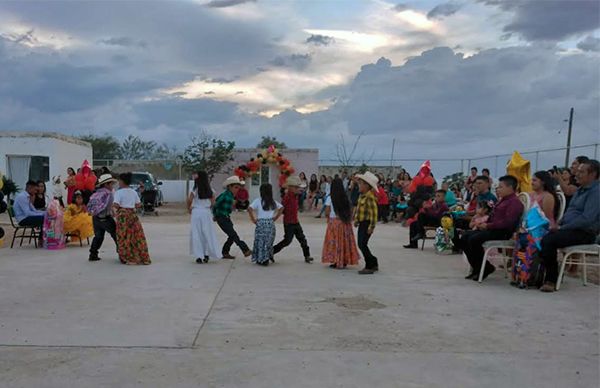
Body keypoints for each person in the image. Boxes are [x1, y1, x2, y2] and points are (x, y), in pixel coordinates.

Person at [538, 159, 599, 292]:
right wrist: (558, 223)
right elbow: (570, 212)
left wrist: (561, 228)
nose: (576, 175)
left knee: (549, 240)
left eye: (581, 172)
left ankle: (551, 280)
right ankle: (535, 274)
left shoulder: (596, 192)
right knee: (539, 234)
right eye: (577, 172)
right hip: (570, 228)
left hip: (584, 233)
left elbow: (587, 219)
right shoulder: (580, 190)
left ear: (593, 174)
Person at [458, 175, 524, 281]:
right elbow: (493, 216)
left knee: (474, 240)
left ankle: (484, 268)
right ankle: (479, 268)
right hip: (492, 229)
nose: (498, 189)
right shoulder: (503, 200)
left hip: (502, 232)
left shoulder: (514, 203)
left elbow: (508, 222)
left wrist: (488, 225)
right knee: (464, 237)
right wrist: (483, 224)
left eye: (501, 187)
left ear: (510, 187)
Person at [273, 176, 314, 263]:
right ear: (290, 187)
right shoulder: (286, 197)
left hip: (295, 222)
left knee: (302, 239)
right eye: (296, 187)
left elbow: (304, 192)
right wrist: (276, 217)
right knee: (287, 241)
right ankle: (271, 252)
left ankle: (307, 255)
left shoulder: (296, 196)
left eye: (298, 187)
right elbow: (282, 209)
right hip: (288, 223)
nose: (298, 189)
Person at [113, 172, 151, 265]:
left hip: (123, 216)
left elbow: (116, 204)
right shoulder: (133, 192)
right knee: (136, 236)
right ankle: (143, 257)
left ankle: (129, 257)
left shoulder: (118, 192)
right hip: (133, 215)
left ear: (122, 181)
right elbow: (138, 204)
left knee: (124, 236)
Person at [322, 177, 360, 269]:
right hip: (345, 222)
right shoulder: (345, 197)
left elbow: (327, 211)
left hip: (334, 223)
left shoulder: (330, 198)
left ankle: (336, 260)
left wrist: (328, 218)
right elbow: (350, 210)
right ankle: (344, 260)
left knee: (334, 242)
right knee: (344, 242)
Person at [213, 176, 252, 259]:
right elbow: (215, 204)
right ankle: (245, 250)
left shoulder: (231, 196)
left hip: (227, 217)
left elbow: (234, 205)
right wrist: (215, 215)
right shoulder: (224, 195)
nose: (237, 189)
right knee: (234, 235)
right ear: (229, 187)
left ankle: (225, 252)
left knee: (231, 236)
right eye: (235, 187)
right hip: (221, 218)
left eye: (238, 187)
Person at [188, 171, 220, 264]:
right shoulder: (211, 190)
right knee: (207, 233)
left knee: (197, 233)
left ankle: (199, 255)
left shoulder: (194, 189)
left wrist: (189, 208)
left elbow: (189, 200)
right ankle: (206, 254)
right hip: (206, 212)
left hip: (196, 212)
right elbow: (214, 203)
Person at [248, 183, 283, 266]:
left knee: (260, 242)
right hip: (270, 223)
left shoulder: (258, 200)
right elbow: (281, 208)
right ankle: (266, 257)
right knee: (268, 242)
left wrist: (253, 219)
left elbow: (249, 209)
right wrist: (275, 217)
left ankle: (260, 258)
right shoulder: (273, 202)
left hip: (260, 223)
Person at [87, 174, 118, 262]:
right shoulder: (109, 194)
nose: (112, 186)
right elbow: (109, 206)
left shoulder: (96, 193)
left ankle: (93, 254)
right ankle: (122, 253)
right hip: (106, 218)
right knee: (116, 235)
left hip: (95, 218)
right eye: (111, 184)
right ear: (106, 184)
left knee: (98, 237)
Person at [354, 171, 379, 275]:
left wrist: (371, 227)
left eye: (361, 184)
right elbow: (359, 210)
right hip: (362, 223)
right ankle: (373, 261)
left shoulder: (370, 197)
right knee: (361, 244)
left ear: (367, 186)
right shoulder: (362, 196)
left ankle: (370, 265)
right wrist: (356, 220)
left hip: (367, 224)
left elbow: (374, 213)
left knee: (362, 244)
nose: (359, 185)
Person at [13, 180, 46, 245]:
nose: (36, 192)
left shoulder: (27, 197)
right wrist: (43, 215)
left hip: (26, 217)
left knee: (47, 217)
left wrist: (45, 213)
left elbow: (34, 210)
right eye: (35, 190)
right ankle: (41, 240)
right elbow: (28, 213)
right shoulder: (22, 197)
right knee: (45, 219)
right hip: (22, 219)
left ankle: (45, 239)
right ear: (29, 188)